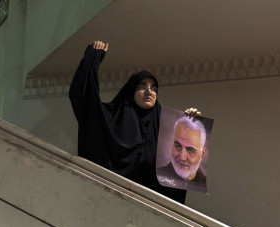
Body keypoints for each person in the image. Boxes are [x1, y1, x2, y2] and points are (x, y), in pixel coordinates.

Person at [69, 40, 200, 205]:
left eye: (154, 88)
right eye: (142, 86)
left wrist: (190, 123)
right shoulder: (113, 119)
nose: (149, 92)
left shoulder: (165, 127)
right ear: (131, 91)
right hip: (112, 201)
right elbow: (85, 101)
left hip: (152, 208)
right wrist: (92, 60)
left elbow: (182, 166)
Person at [156, 115, 208, 194]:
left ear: (202, 154)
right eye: (178, 146)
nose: (182, 157)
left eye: (190, 150)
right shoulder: (156, 176)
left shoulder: (205, 188)